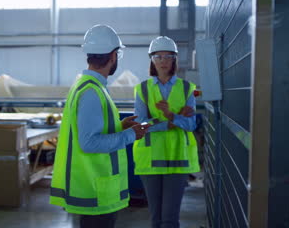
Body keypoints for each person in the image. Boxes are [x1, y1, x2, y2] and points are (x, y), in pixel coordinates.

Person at [50, 24, 150, 228]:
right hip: (94, 189)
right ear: (113, 56)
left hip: (94, 187)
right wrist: (130, 135)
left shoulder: (88, 87)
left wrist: (119, 126)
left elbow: (91, 130)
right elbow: (89, 143)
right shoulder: (91, 92)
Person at [133, 36, 199, 228]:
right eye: (158, 57)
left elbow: (191, 124)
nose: (163, 61)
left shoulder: (187, 89)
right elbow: (141, 125)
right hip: (150, 159)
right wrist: (172, 121)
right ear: (152, 60)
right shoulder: (142, 89)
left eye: (168, 56)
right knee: (156, 218)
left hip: (177, 160)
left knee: (170, 219)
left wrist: (170, 115)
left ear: (174, 59)